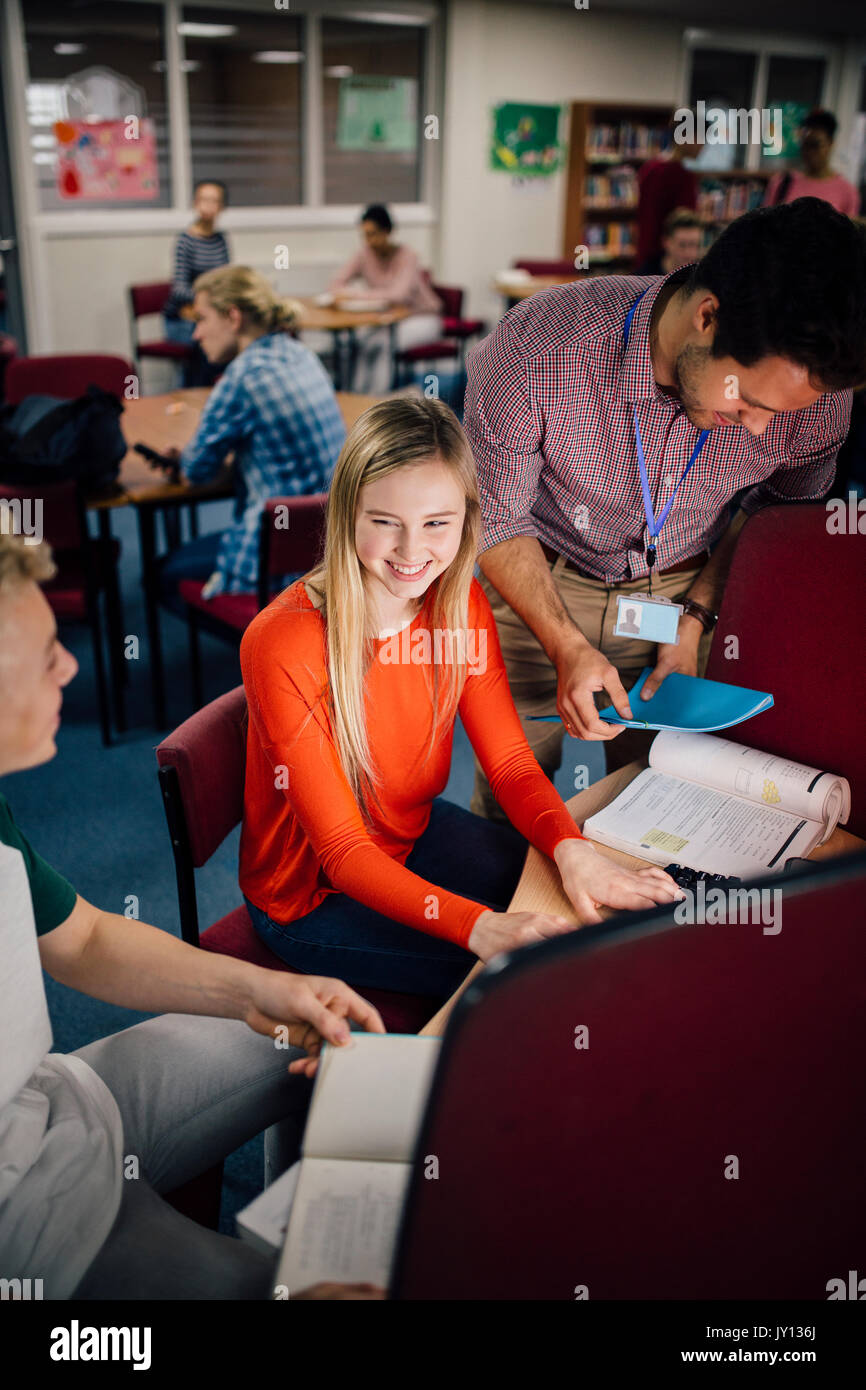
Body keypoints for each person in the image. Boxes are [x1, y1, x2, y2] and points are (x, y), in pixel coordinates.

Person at [0, 532, 387, 1300]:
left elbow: (83, 937)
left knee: (307, 1030)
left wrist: (262, 992)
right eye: (47, 654)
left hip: (50, 1102)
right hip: (27, 1229)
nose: (71, 666)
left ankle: (290, 1220)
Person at [239, 397, 682, 998]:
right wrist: (480, 929)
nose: (410, 550)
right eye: (384, 521)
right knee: (546, 981)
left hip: (412, 835)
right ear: (346, 513)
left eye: (436, 523)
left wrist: (571, 849)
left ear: (467, 519)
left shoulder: (458, 603)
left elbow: (508, 763)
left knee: (599, 917)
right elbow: (343, 852)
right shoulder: (282, 641)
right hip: (311, 897)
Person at [463, 197, 866, 825]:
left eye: (778, 415)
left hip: (682, 597)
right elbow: (497, 517)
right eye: (748, 403)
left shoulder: (816, 399)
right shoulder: (539, 347)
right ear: (709, 316)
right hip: (537, 582)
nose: (760, 432)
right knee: (510, 798)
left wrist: (697, 618)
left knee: (662, 799)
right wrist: (566, 644)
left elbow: (775, 518)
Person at [157, 265, 346, 606]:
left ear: (233, 317)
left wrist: (182, 461)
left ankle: (252, 646)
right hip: (330, 553)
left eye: (201, 319)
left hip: (273, 565)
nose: (196, 334)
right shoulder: (300, 354)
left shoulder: (240, 378)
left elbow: (196, 471)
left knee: (161, 574)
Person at [327, 204, 444, 392]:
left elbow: (398, 295)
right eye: (364, 235)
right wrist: (352, 294)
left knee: (383, 345)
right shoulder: (364, 254)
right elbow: (335, 285)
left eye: (373, 234)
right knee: (359, 342)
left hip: (421, 317)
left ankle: (376, 403)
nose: (368, 240)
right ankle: (355, 398)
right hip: (388, 320)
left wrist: (355, 295)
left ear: (388, 231)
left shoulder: (408, 256)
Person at [163, 180, 230, 385]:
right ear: (195, 203)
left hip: (211, 314)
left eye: (214, 201)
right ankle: (192, 396)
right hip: (183, 319)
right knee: (208, 345)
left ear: (222, 207)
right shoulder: (186, 240)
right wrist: (209, 299)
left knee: (232, 341)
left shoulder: (220, 240)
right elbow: (179, 290)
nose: (208, 206)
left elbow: (226, 280)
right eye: (203, 200)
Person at [763, 109, 859, 217]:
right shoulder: (782, 183)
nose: (809, 152)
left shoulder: (847, 192)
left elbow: (849, 232)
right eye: (805, 145)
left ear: (831, 144)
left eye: (815, 145)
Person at [635, 120, 702, 270]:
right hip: (669, 262)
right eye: (701, 138)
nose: (703, 145)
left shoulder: (649, 168)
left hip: (647, 256)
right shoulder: (682, 175)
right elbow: (686, 223)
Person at [637, 207, 703, 276]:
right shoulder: (645, 276)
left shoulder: (703, 277)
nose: (688, 253)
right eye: (682, 245)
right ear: (666, 242)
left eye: (693, 244)